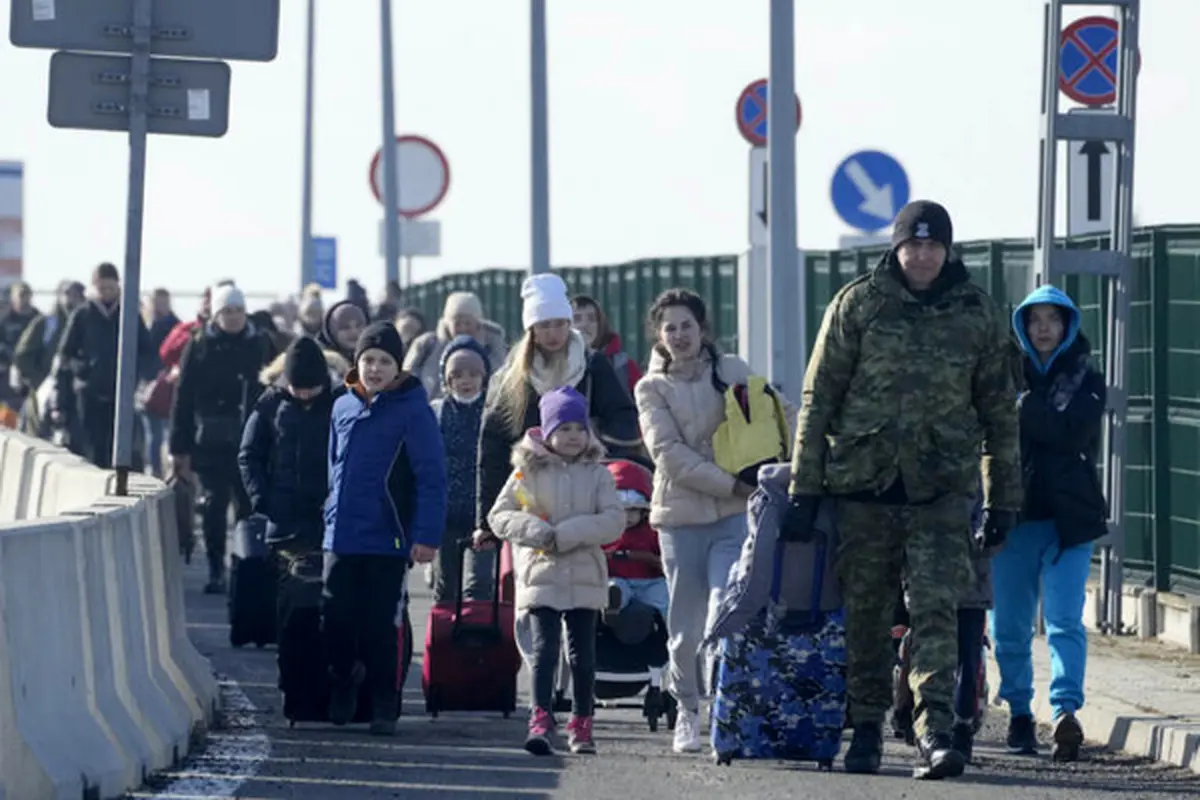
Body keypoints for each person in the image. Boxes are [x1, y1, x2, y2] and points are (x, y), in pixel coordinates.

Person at [781, 200, 1022, 780]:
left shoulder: (977, 314)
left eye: (933, 246)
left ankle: (936, 731)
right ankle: (864, 728)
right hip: (865, 487)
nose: (922, 256)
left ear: (948, 250)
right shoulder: (858, 304)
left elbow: (999, 412)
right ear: (895, 248)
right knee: (867, 617)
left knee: (937, 611)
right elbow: (819, 400)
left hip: (941, 490)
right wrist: (803, 487)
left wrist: (1003, 498)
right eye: (912, 246)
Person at [634, 287, 796, 754]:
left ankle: (728, 709)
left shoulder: (733, 369)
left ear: (703, 329)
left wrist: (812, 443)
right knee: (684, 628)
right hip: (681, 519)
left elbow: (777, 414)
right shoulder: (650, 388)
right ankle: (687, 708)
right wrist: (732, 484)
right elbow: (669, 456)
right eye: (670, 328)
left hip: (733, 517)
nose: (680, 335)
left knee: (729, 608)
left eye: (687, 325)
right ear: (659, 336)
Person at [990, 285, 1107, 764]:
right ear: (1021, 326)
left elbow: (1071, 432)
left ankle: (1064, 712)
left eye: (1052, 320)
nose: (1043, 328)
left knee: (1063, 620)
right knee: (1010, 627)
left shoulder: (1086, 378)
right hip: (1012, 519)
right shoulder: (1000, 377)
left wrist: (1022, 409)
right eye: (1034, 319)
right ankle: (1020, 711)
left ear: (1067, 326)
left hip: (1068, 521)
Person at [322, 322, 447, 736]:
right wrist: (328, 516)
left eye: (384, 362)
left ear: (398, 367)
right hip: (341, 535)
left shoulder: (414, 411)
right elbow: (334, 468)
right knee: (335, 618)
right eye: (368, 360)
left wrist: (427, 536)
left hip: (388, 537)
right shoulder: (342, 406)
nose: (375, 369)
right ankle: (343, 678)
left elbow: (431, 477)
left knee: (381, 624)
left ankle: (382, 703)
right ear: (357, 363)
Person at [485, 386, 624, 756]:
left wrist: (569, 533)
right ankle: (541, 718)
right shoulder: (525, 473)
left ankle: (582, 721)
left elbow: (614, 520)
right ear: (546, 432)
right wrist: (537, 532)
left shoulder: (598, 474)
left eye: (579, 428)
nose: (573, 437)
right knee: (545, 650)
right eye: (564, 429)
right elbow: (499, 515)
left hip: (583, 575)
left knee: (583, 654)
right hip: (540, 574)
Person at [170, 284, 273, 593]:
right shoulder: (199, 345)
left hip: (252, 440)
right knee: (214, 506)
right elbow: (183, 397)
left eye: (238, 311)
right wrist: (179, 447)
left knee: (248, 508)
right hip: (210, 443)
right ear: (216, 314)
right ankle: (216, 567)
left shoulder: (260, 343)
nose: (233, 317)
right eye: (227, 312)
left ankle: (245, 566)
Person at [238, 336, 337, 563]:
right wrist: (262, 498)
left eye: (311, 389)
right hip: (282, 516)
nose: (304, 395)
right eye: (297, 389)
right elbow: (250, 454)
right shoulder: (270, 404)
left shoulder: (339, 402)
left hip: (328, 516)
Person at [51, 263, 157, 466]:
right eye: (103, 288)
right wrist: (82, 370)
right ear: (94, 287)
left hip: (122, 395)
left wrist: (138, 377)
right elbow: (65, 355)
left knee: (120, 449)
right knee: (92, 448)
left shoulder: (129, 314)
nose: (107, 293)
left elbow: (146, 351)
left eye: (111, 288)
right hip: (88, 393)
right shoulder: (83, 315)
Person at [429, 335, 493, 604]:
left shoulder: (493, 412)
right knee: (446, 585)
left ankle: (477, 641)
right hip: (446, 512)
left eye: (473, 374)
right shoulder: (437, 412)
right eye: (457, 375)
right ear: (447, 379)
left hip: (483, 513)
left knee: (479, 586)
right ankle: (444, 641)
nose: (466, 381)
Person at [403, 291, 507, 401]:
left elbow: (501, 377)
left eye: (468, 323)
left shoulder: (493, 346)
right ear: (447, 324)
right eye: (457, 324)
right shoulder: (427, 345)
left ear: (477, 323)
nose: (463, 328)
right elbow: (407, 376)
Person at [602, 459, 668, 620]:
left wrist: (650, 559)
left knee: (666, 596)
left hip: (650, 580)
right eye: (621, 511)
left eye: (633, 511)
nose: (627, 518)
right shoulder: (603, 532)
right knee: (614, 587)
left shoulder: (652, 531)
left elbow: (664, 560)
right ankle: (611, 605)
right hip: (617, 578)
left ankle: (674, 631)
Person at [572, 295, 641, 396]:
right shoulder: (553, 364)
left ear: (601, 325)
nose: (585, 324)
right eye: (577, 319)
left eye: (592, 319)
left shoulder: (624, 367)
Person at [317, 299, 368, 368]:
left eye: (358, 325)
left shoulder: (376, 359)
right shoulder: (323, 365)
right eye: (345, 327)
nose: (354, 331)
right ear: (333, 332)